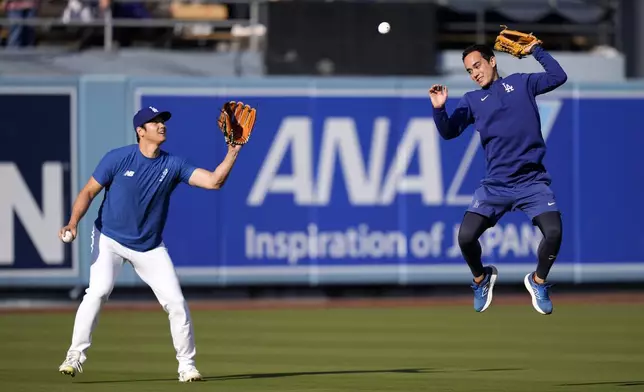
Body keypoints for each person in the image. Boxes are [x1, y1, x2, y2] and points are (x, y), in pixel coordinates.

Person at [57, 106, 244, 381]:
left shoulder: (173, 164)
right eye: (154, 122)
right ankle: (74, 356)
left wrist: (233, 151)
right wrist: (73, 222)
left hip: (149, 246)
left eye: (162, 121)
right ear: (140, 131)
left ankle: (187, 366)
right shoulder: (118, 158)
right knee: (97, 292)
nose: (161, 125)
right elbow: (88, 191)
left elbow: (214, 182)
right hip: (109, 238)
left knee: (177, 303)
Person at [429, 42, 567, 315]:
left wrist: (535, 50)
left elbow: (557, 76)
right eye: (469, 71)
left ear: (492, 61)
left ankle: (538, 281)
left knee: (554, 232)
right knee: (466, 238)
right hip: (496, 185)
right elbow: (448, 131)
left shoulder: (521, 84)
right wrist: (438, 109)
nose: (475, 73)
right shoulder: (471, 100)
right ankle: (481, 279)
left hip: (531, 182)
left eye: (477, 65)